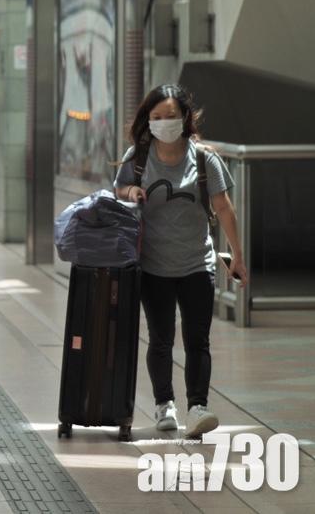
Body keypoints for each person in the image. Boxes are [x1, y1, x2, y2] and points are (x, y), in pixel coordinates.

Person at [113, 83, 249, 439]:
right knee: (160, 338)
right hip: (153, 264)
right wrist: (131, 190)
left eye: (170, 116)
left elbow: (224, 208)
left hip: (197, 264)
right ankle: (165, 404)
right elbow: (118, 188)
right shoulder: (138, 156)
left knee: (197, 340)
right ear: (148, 120)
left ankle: (198, 407)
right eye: (156, 117)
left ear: (184, 117)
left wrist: (237, 256)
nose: (164, 122)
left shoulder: (204, 159)